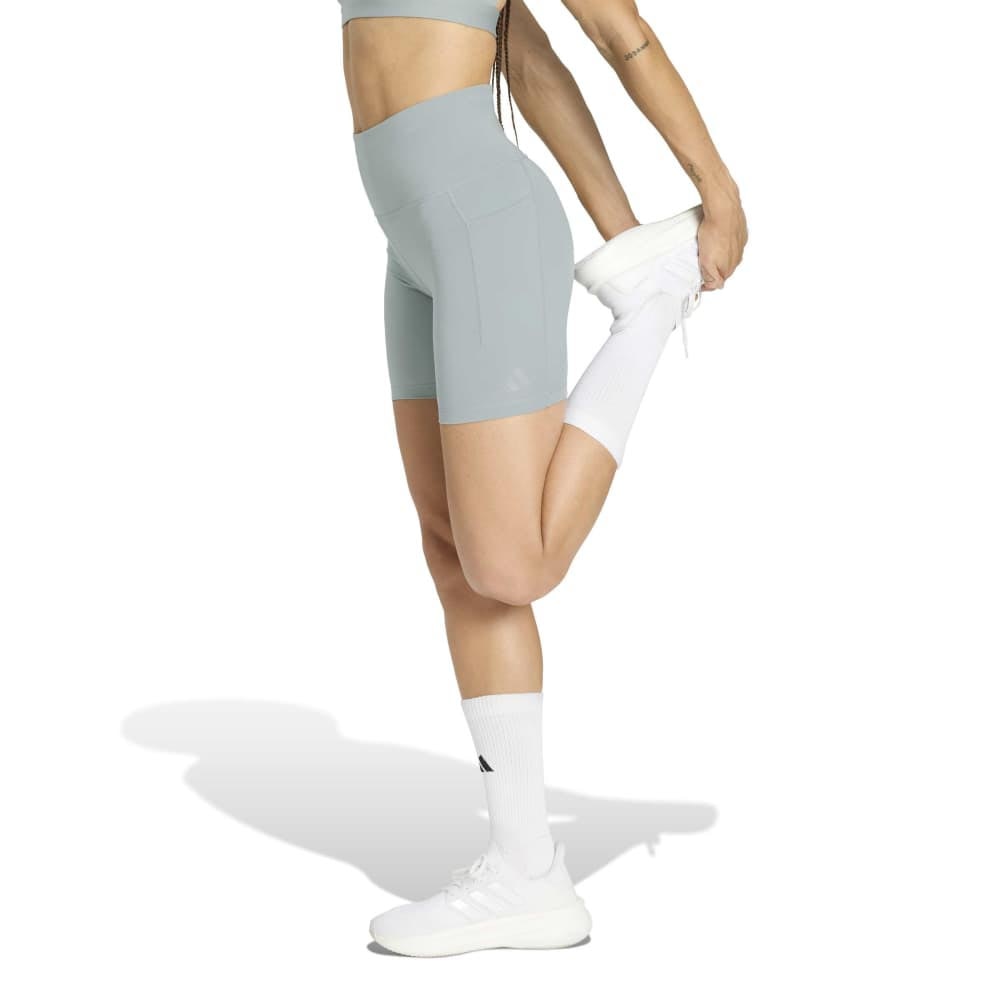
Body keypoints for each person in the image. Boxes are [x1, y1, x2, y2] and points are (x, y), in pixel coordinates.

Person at [340, 0, 748, 957]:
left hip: (483, 221)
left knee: (512, 564)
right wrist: (622, 237)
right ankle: (526, 871)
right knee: (453, 558)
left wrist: (717, 190)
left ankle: (651, 316)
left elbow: (616, 32)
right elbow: (523, 57)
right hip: (412, 235)